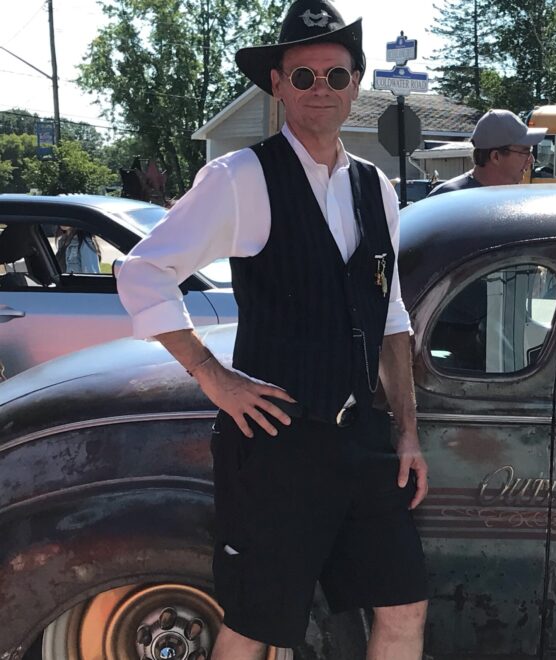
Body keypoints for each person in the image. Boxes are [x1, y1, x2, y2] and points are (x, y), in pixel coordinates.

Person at [116, 2, 428, 658]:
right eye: (304, 76)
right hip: (276, 446)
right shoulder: (241, 177)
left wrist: (406, 431)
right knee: (257, 624)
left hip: (363, 441)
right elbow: (143, 272)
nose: (321, 89)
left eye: (336, 76)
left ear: (355, 85)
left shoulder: (377, 188)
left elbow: (393, 317)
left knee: (404, 606)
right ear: (279, 85)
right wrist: (213, 377)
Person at [428, 109, 546, 196]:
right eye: (525, 152)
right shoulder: (447, 199)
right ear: (496, 157)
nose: (531, 160)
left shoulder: (516, 199)